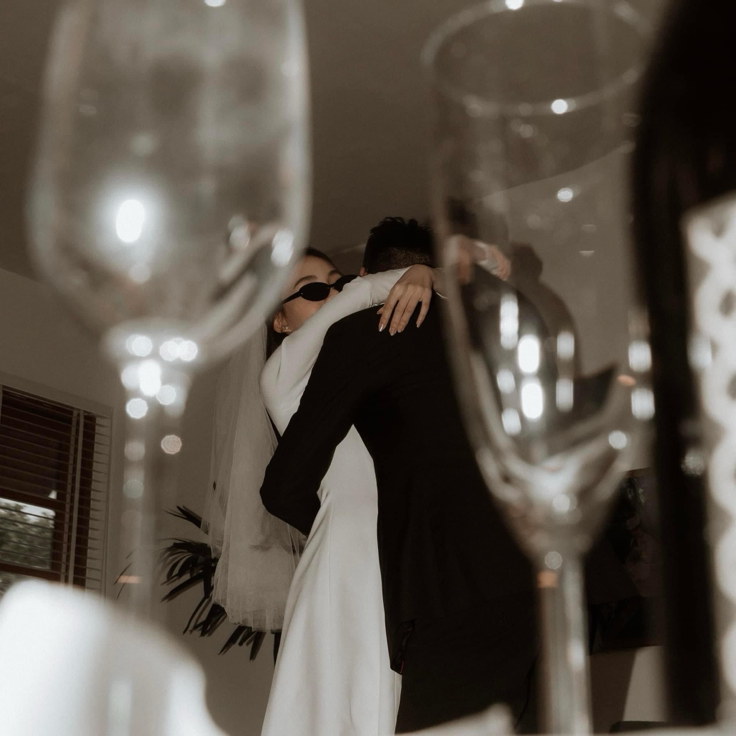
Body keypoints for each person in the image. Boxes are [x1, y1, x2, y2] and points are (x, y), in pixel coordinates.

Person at [260, 218, 539, 733]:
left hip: (406, 555)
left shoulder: (374, 353)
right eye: (313, 290)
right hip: (356, 552)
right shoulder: (284, 372)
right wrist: (422, 272)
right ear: (278, 320)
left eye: (338, 281)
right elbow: (281, 490)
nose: (334, 295)